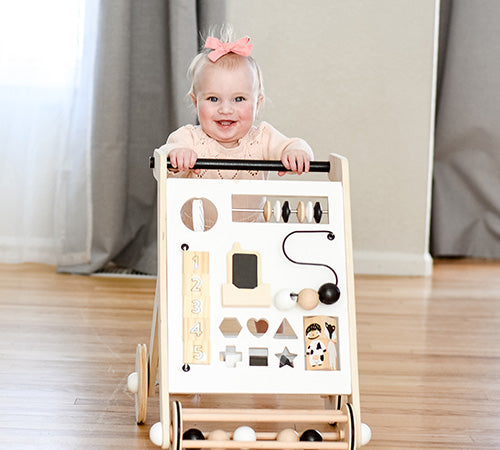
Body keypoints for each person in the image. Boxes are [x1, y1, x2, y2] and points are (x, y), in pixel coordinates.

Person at [157, 28, 313, 223]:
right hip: (197, 239)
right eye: (213, 99)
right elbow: (164, 155)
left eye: (238, 99)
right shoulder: (189, 139)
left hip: (250, 235)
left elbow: (293, 145)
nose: (225, 109)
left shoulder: (262, 138)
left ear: (257, 104)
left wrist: (296, 152)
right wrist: (176, 154)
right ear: (196, 102)